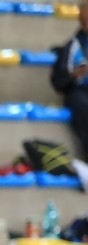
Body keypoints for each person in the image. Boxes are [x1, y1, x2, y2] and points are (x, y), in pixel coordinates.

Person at [51, 1, 88, 158]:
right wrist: (74, 74)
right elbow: (58, 80)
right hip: (78, 92)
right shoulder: (73, 45)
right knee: (83, 107)